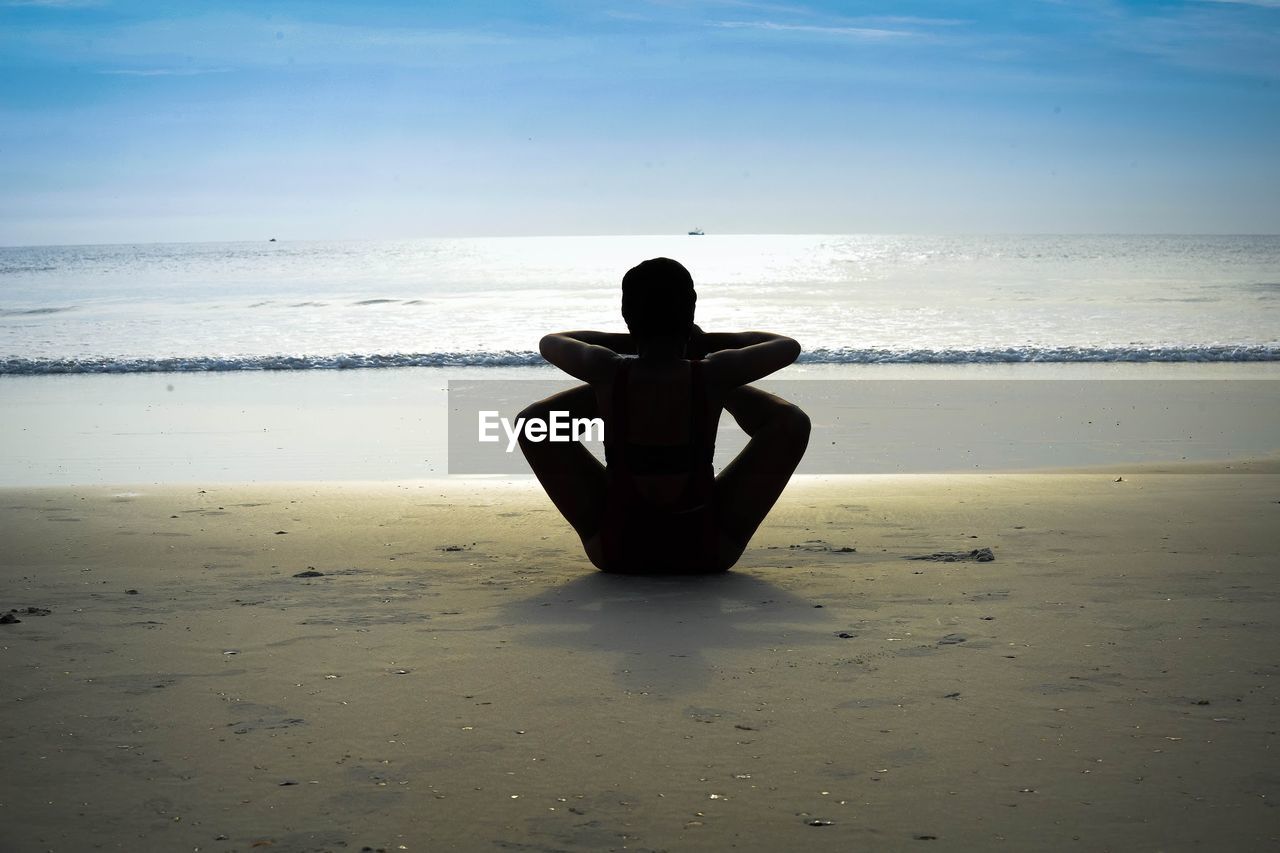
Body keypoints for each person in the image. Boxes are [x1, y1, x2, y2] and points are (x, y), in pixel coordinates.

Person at [519, 257, 810, 574]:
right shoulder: (714, 373)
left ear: (627, 315)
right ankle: (682, 366)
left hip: (617, 551)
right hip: (706, 551)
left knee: (533, 421)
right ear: (691, 310)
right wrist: (704, 349)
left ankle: (636, 371)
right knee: (791, 422)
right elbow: (787, 346)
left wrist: (627, 355)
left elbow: (550, 343)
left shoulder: (605, 368)